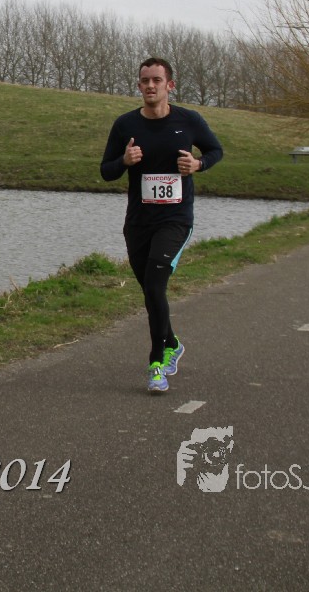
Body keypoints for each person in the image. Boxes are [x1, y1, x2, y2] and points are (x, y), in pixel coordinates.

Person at [100, 57, 223, 393]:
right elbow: (106, 171)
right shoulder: (126, 125)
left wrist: (198, 164)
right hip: (138, 222)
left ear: (170, 85)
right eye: (145, 81)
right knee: (150, 290)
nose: (150, 86)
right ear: (139, 85)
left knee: (155, 286)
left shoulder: (189, 120)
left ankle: (157, 364)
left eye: (156, 80)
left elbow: (216, 150)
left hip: (175, 219)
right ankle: (173, 342)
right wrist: (124, 161)